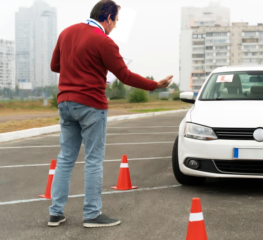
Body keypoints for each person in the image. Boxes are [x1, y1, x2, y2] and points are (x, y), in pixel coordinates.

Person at [48, 0, 172, 228]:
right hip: (91, 105)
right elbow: (125, 76)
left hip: (65, 103)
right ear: (107, 18)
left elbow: (55, 66)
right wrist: (156, 85)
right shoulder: (104, 41)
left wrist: (79, 68)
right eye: (115, 21)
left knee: (65, 159)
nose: (115, 26)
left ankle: (55, 213)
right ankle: (92, 214)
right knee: (94, 160)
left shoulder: (66, 32)